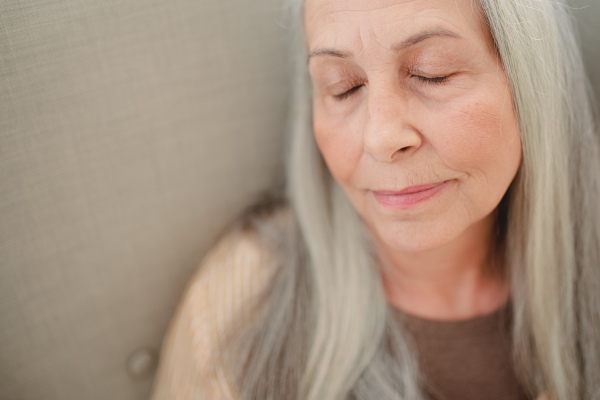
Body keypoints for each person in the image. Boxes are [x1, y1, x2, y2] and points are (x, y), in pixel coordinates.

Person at [150, 0, 600, 399]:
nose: (381, 137)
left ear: (531, 80)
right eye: (343, 87)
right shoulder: (240, 309)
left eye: (433, 73)